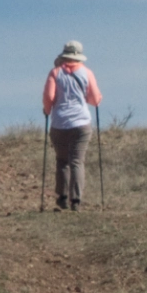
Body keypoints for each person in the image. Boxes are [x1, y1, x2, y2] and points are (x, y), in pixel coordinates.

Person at [42, 41, 102, 210]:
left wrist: (47, 110)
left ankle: (62, 197)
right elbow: (95, 99)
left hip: (59, 123)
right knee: (77, 161)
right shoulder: (87, 73)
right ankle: (76, 200)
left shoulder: (55, 73)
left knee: (62, 161)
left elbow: (49, 97)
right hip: (81, 123)